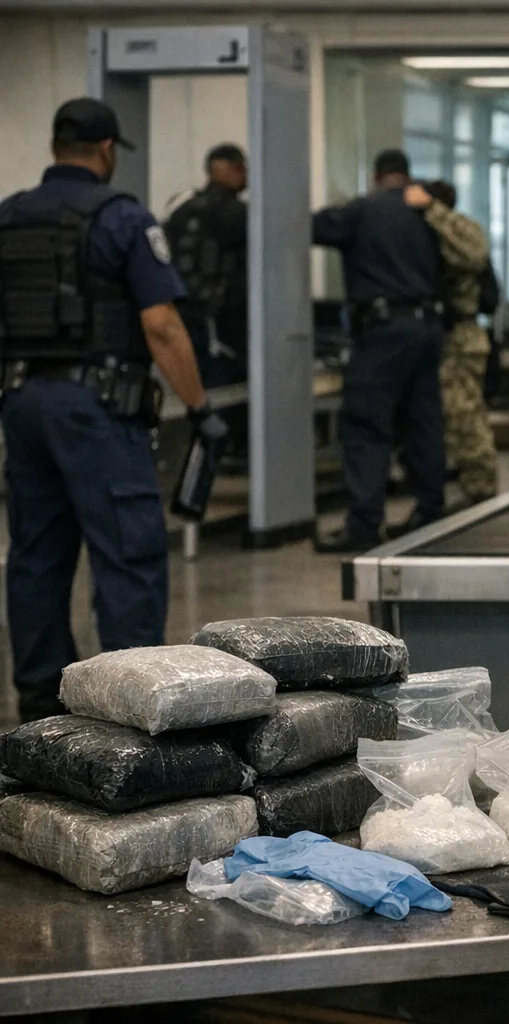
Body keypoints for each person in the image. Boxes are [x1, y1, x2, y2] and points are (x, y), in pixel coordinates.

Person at [0, 97, 226, 722]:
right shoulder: (120, 217)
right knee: (127, 551)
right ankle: (127, 704)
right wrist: (199, 406)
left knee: (35, 554)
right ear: (106, 151)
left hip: (21, 403)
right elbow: (161, 326)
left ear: (55, 147)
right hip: (96, 408)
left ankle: (41, 705)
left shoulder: (10, 216)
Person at [311, 148, 445, 553]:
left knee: (366, 424)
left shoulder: (362, 210)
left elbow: (311, 226)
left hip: (384, 332)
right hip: (427, 327)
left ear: (376, 175)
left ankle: (365, 523)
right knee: (422, 420)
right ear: (406, 175)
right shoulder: (429, 211)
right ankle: (431, 513)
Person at [422, 179, 498, 507]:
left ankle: (480, 487)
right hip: (441, 335)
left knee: (464, 413)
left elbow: (476, 253)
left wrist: (431, 210)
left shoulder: (458, 230)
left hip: (461, 336)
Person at [164, 143, 248, 390]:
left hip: (182, 319)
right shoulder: (240, 215)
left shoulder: (180, 208)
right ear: (220, 169)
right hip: (226, 327)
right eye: (239, 168)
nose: (245, 175)